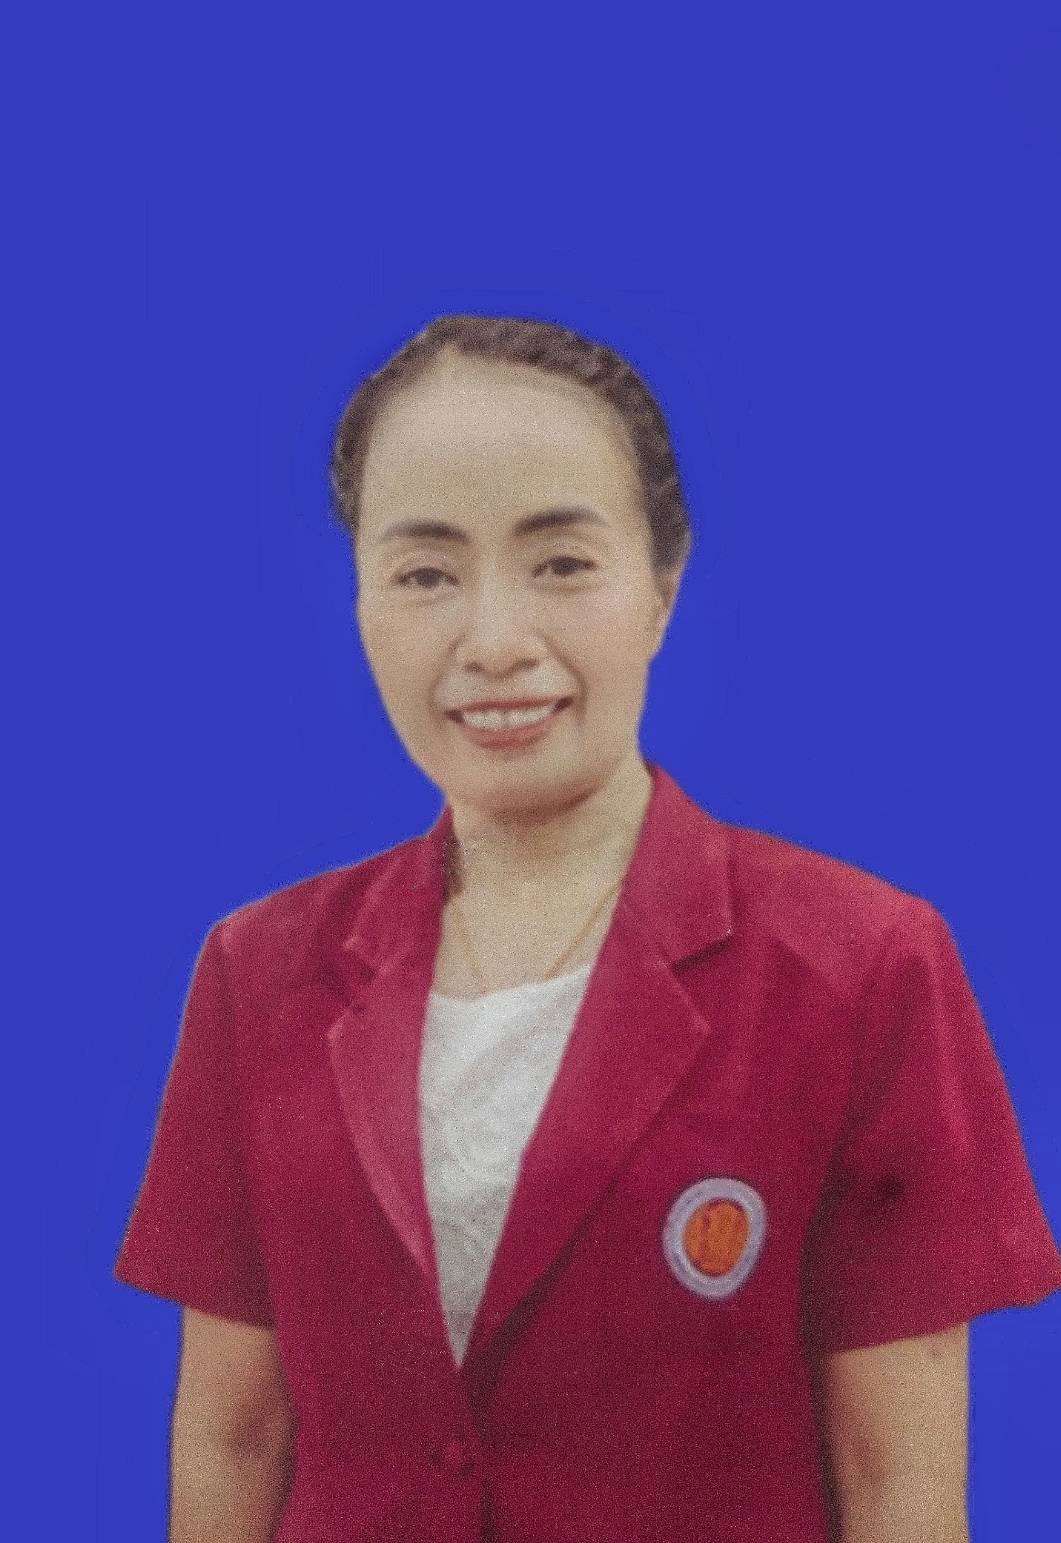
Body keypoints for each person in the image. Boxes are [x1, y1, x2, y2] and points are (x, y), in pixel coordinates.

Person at [114, 314, 1061, 1543]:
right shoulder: (259, 972)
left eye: (559, 562)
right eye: (424, 573)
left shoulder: (860, 967)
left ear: (662, 585)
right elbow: (233, 1434)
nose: (494, 642)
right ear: (358, 597)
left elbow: (897, 1476)